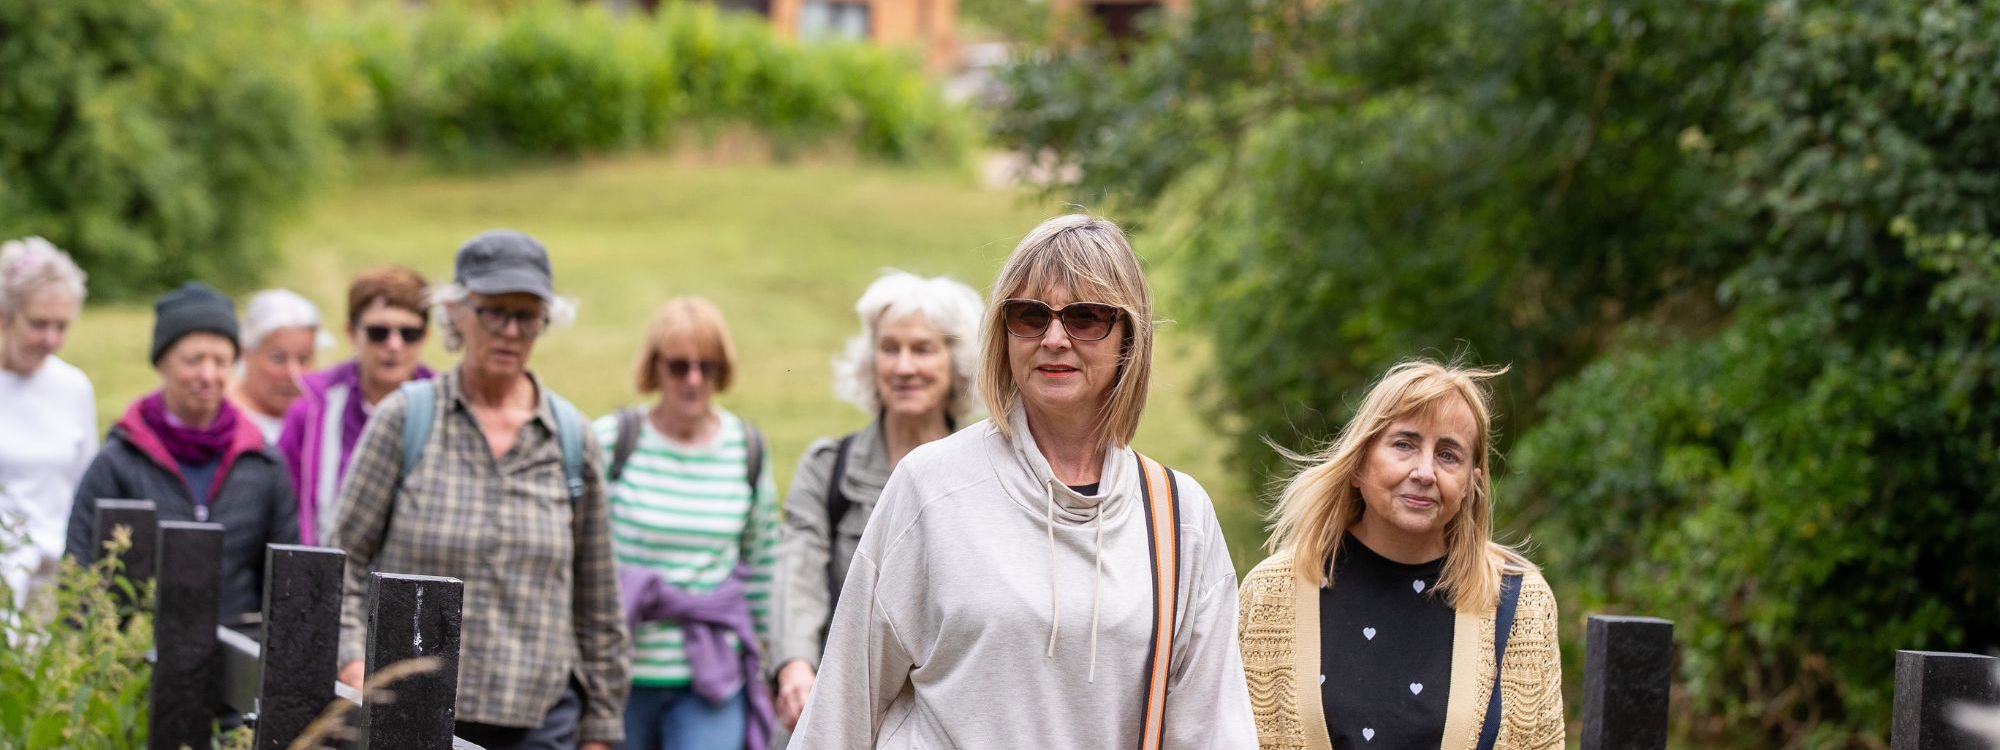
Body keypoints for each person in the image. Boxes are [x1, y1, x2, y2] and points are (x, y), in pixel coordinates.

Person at [789, 214, 1258, 748]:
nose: (1055, 338)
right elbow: (843, 706)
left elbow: (1213, 728)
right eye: (1030, 316)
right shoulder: (929, 486)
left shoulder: (1180, 518)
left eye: (1086, 317)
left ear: (1130, 336)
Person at [329, 230, 627, 750]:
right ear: (456, 314)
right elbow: (341, 560)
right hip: (410, 717)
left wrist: (600, 731)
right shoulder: (408, 419)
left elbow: (598, 603)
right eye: (494, 312)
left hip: (538, 721)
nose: (511, 331)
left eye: (528, 316)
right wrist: (356, 664)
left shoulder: (572, 439)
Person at [1237, 361, 1564, 750]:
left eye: (1448, 455)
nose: (1425, 472)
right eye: (1404, 444)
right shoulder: (1272, 593)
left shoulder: (1519, 602)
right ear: (1359, 462)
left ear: (1471, 484)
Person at [769, 271, 984, 734]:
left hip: (945, 720)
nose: (904, 367)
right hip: (838, 712)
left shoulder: (987, 475)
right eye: (890, 348)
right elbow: (797, 569)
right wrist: (794, 665)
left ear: (956, 364)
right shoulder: (828, 468)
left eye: (923, 349)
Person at [596, 295, 778, 750]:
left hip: (710, 680)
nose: (694, 380)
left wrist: (767, 659)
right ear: (655, 368)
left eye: (708, 366)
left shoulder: (747, 449)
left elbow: (762, 566)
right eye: (679, 366)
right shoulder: (611, 442)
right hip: (620, 677)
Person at [65, 282, 299, 625]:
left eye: (220, 361)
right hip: (135, 662)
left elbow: (287, 582)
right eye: (193, 360)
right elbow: (80, 572)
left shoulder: (263, 463)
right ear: (162, 364)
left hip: (236, 659)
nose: (207, 375)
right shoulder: (119, 461)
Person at [276, 266, 436, 546]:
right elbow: (281, 506)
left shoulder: (446, 409)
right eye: (378, 332)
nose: (394, 345)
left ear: (427, 336)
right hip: (325, 574)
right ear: (351, 333)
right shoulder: (313, 408)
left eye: (409, 333)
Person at [0, 237, 94, 608]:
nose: (51, 339)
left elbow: (83, 483)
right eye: (38, 324)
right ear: (4, 315)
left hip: (53, 581)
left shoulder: (72, 387)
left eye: (62, 326)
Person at [228, 289, 329, 444]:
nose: (293, 374)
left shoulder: (322, 420)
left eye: (303, 360)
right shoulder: (221, 419)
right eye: (278, 359)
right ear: (246, 354)